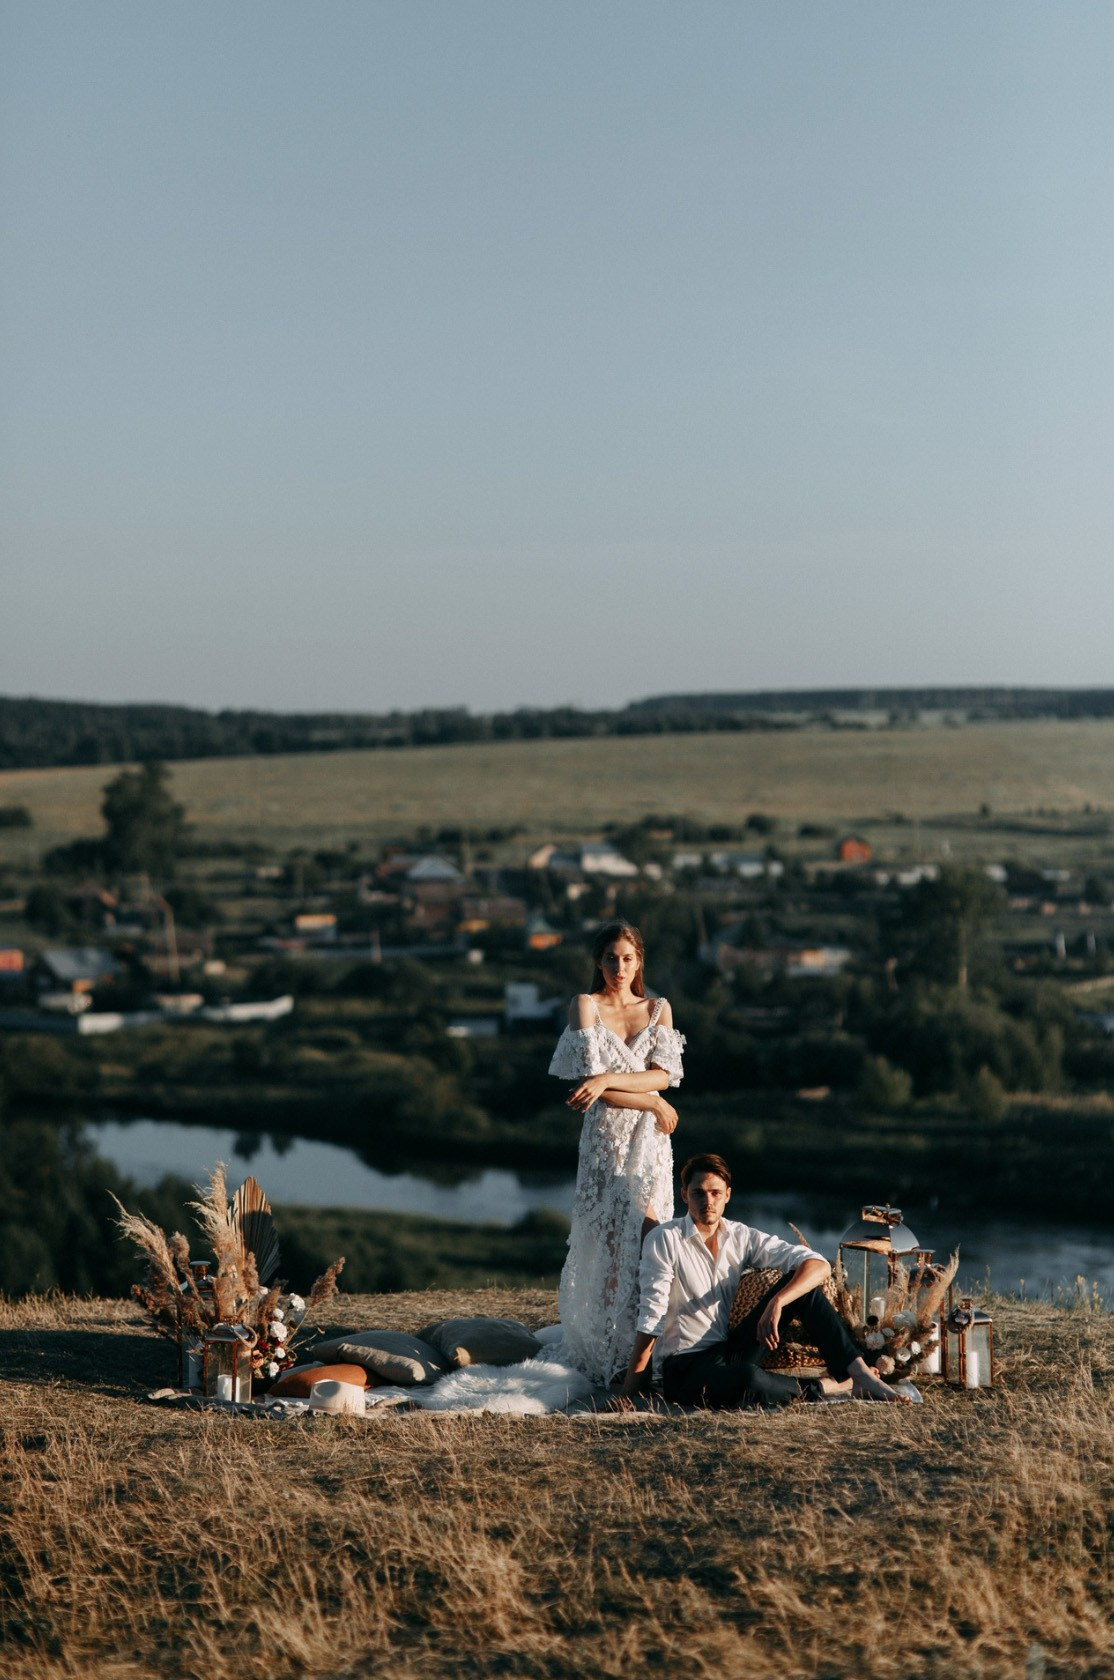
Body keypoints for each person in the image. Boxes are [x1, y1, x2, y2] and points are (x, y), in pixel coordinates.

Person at [620, 1152, 910, 1405]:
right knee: (748, 1378)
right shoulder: (665, 1238)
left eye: (715, 1193)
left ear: (727, 1195)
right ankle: (830, 1386)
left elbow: (817, 1264)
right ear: (684, 1195)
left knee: (801, 1290)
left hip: (726, 1351)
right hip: (682, 1368)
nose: (707, 1201)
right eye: (698, 1193)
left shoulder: (740, 1236)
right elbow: (651, 1319)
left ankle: (858, 1374)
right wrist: (629, 1392)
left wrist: (778, 1302)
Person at [547, 920, 685, 1385]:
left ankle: (644, 1351)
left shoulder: (659, 1008)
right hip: (607, 1138)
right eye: (610, 958)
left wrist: (610, 1079)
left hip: (650, 1141)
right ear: (597, 961)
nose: (618, 968)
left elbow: (664, 1075)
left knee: (650, 1238)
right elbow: (599, 1092)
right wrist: (644, 1097)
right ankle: (610, 1352)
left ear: (639, 961)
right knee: (610, 1243)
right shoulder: (584, 1005)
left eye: (627, 958)